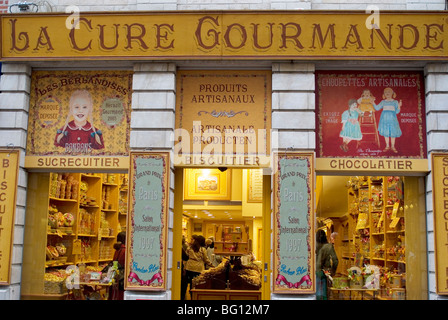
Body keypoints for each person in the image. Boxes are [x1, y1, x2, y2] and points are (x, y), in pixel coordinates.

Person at [372, 87, 402, 153]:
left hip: (393, 120)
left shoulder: (395, 102)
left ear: (392, 93)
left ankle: (393, 146)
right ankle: (387, 146)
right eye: (386, 92)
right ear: (384, 94)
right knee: (386, 133)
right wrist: (373, 102)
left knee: (393, 133)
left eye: (389, 92)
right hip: (384, 120)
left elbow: (397, 112)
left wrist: (399, 106)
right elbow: (377, 108)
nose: (387, 93)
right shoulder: (383, 102)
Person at [316, 230, 339, 300]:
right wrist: (332, 272)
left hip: (315, 273)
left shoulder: (312, 246)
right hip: (325, 273)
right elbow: (335, 261)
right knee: (325, 293)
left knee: (316, 293)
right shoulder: (329, 247)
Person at [109, 231, 126, 300]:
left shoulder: (117, 250)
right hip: (122, 278)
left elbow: (115, 264)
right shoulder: (125, 250)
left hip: (115, 276)